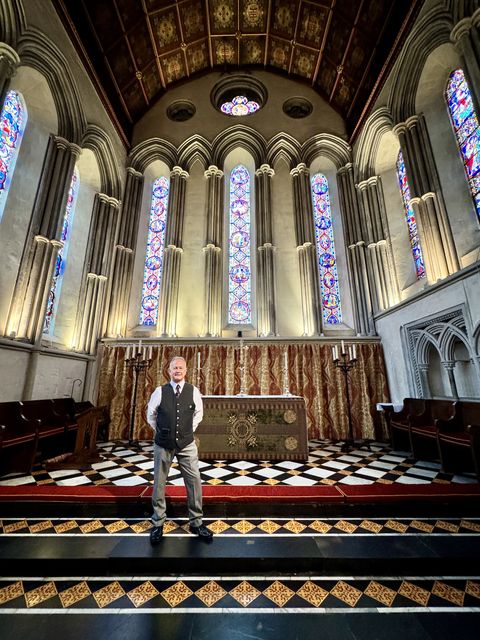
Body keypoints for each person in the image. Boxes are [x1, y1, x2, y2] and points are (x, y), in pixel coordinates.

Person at [147, 355, 213, 543]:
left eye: (181, 368)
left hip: (187, 444)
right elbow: (150, 415)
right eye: (174, 368)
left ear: (185, 371)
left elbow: (199, 414)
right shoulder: (159, 391)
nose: (177, 370)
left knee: (194, 481)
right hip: (163, 444)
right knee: (159, 482)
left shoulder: (193, 391)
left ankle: (196, 522)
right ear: (169, 371)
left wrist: (186, 431)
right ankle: (158, 523)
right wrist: (162, 432)